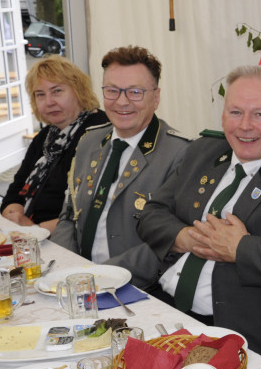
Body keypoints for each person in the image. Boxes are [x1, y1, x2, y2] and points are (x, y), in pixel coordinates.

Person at [138, 65, 261, 357]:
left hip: (237, 338)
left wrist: (241, 249)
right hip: (165, 314)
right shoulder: (202, 152)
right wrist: (183, 236)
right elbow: (151, 213)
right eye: (235, 112)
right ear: (222, 115)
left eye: (259, 114)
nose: (245, 125)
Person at [51, 46, 190, 289]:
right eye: (112, 91)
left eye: (135, 92)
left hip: (138, 290)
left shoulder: (179, 154)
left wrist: (103, 278)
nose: (122, 102)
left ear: (155, 98)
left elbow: (170, 242)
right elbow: (68, 216)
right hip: (77, 283)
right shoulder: (89, 141)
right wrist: (68, 268)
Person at [0, 55, 110, 233]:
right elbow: (15, 190)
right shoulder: (45, 136)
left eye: (57, 91)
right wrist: (15, 216)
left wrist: (36, 229)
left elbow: (91, 212)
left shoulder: (99, 134)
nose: (49, 102)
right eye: (40, 94)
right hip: (32, 232)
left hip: (68, 239)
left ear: (79, 90)